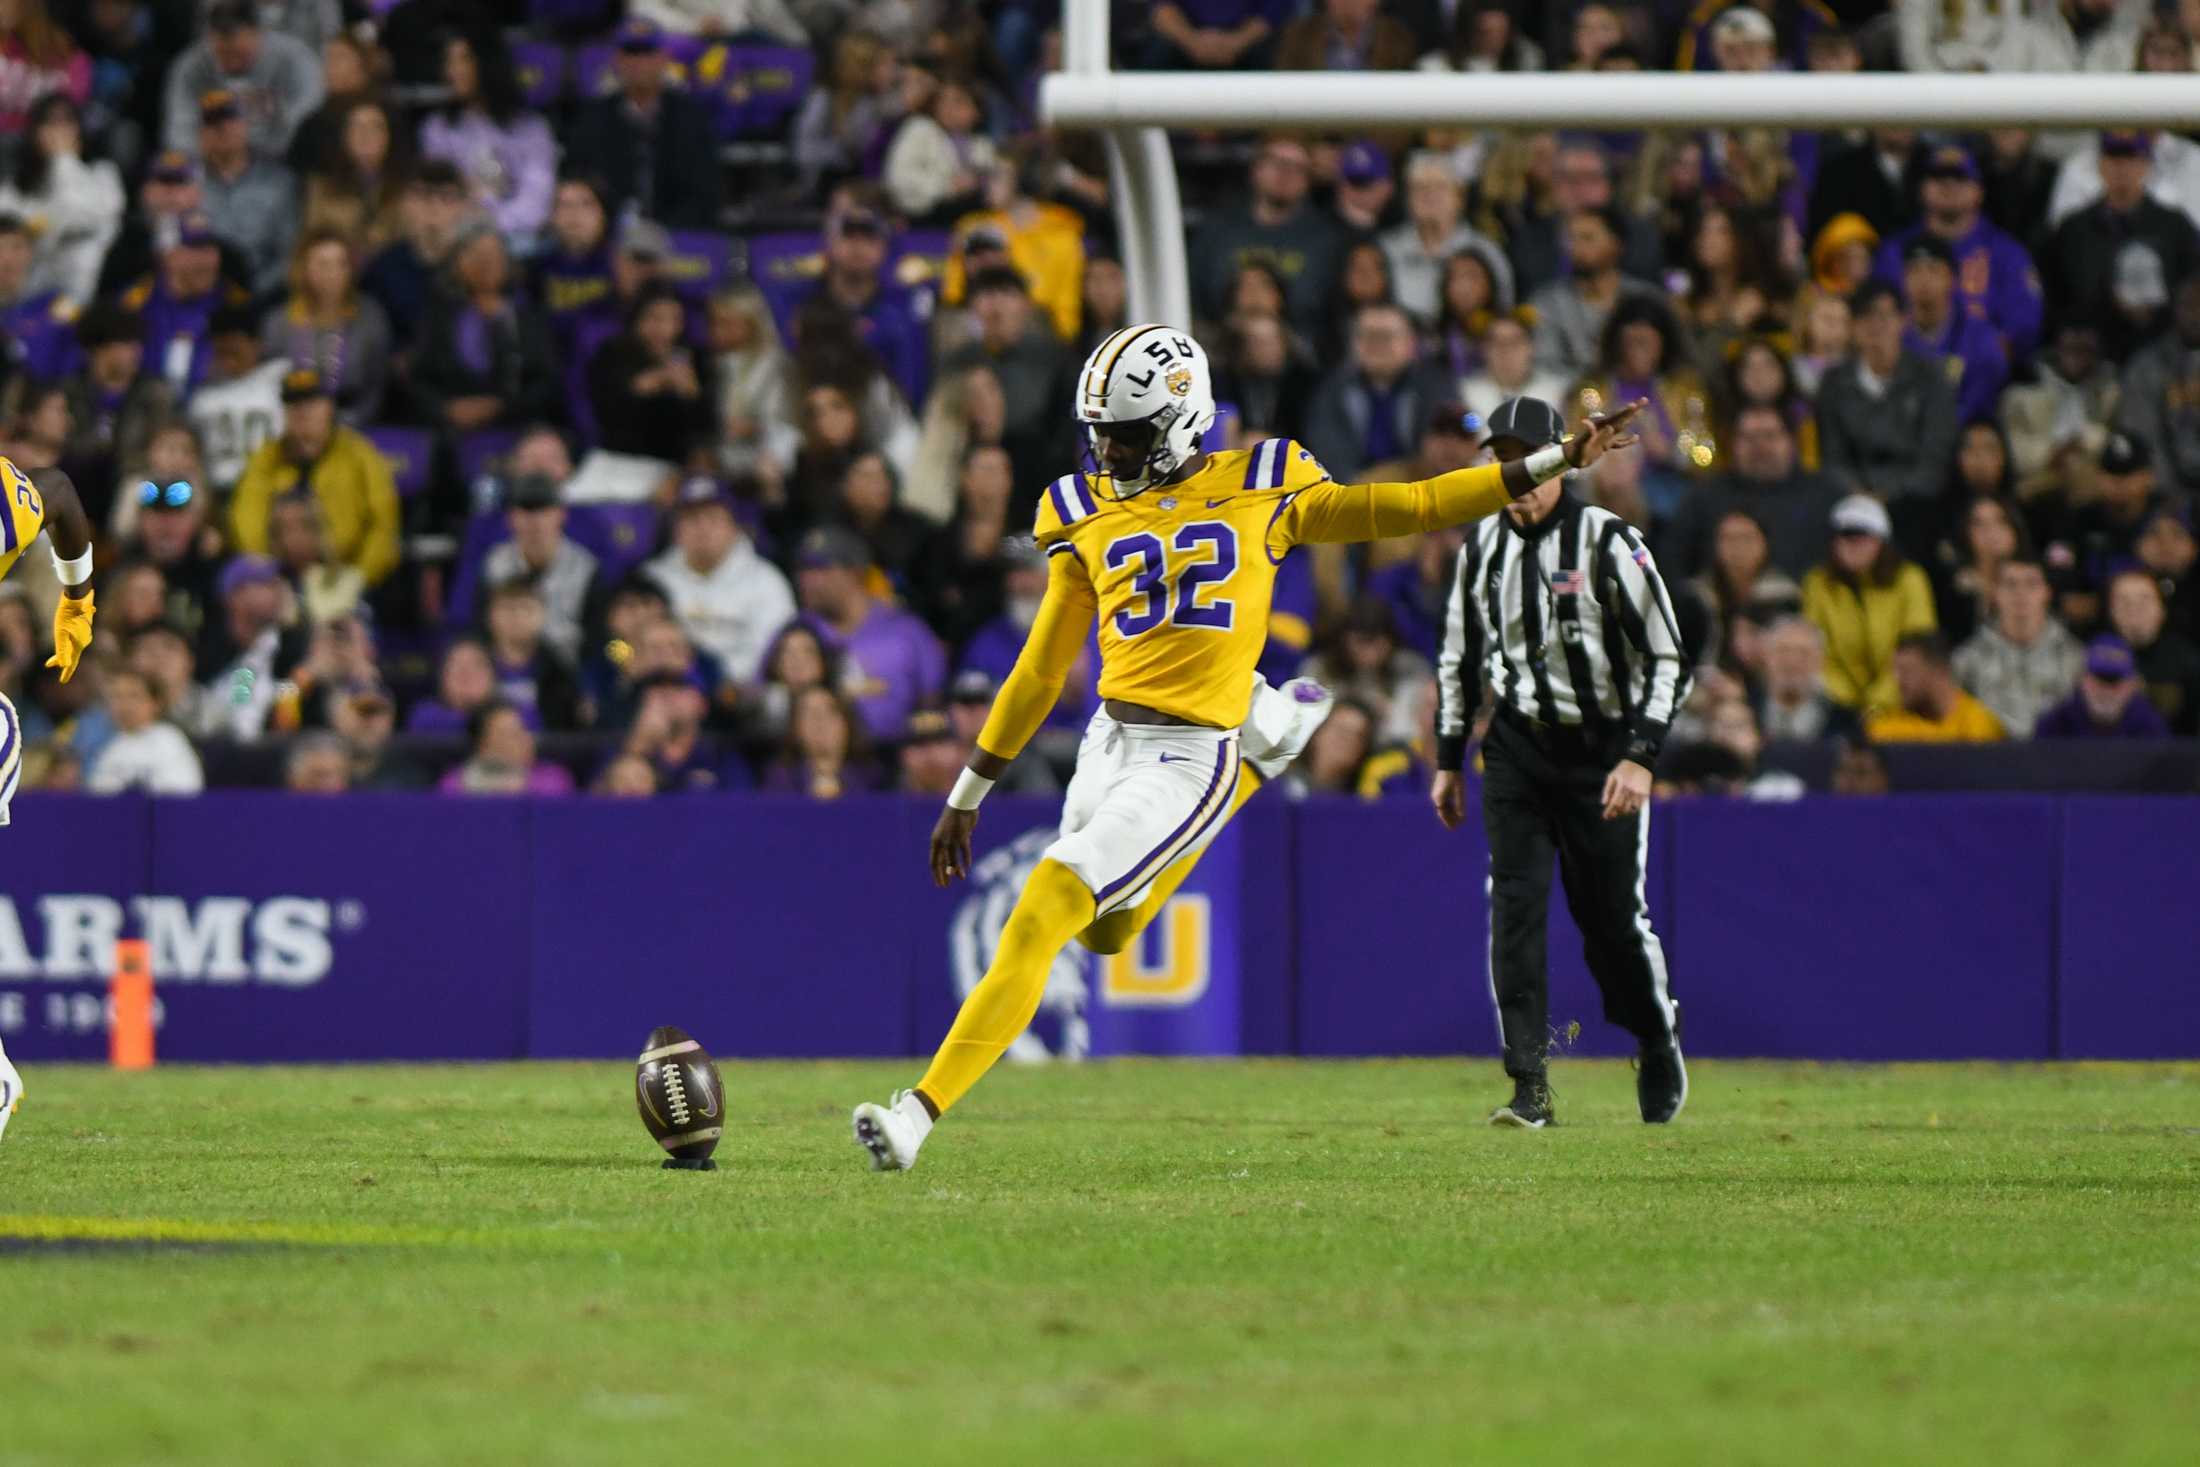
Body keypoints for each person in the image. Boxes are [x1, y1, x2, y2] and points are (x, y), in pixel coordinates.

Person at [849, 326, 1646, 1171]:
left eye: (1126, 433)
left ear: (1183, 419)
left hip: (1190, 754)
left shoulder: (1268, 481)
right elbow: (1041, 667)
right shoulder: (1080, 508)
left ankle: (916, 1115)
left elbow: (1413, 504)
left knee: (1045, 903)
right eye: (1102, 433)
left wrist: (1553, 460)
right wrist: (967, 792)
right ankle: (1267, 755)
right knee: (1105, 936)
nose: (1109, 449)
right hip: (1109, 738)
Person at [1425, 393, 1687, 1129]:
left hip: (1601, 747)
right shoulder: (1480, 548)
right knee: (1513, 908)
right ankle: (1528, 1083)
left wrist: (1641, 755)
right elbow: (1459, 658)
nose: (1517, 473)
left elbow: (1669, 655)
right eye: (1503, 460)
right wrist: (1449, 758)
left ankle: (1656, 1033)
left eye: (1526, 458)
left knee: (1610, 922)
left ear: (1559, 462)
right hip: (1516, 746)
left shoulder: (1609, 541)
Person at [1872, 143, 2043, 362]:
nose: (1949, 185)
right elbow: (1877, 322)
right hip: (1903, 377)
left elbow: (2022, 332)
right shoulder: (1894, 251)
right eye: (1938, 177)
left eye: (1960, 178)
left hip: (1987, 382)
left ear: (1978, 191)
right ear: (1922, 188)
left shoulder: (2007, 253)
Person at [229, 370, 400, 588]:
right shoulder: (267, 458)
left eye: (311, 403)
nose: (302, 412)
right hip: (281, 579)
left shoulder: (359, 455)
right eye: (293, 404)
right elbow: (247, 518)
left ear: (330, 408)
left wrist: (359, 577)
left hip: (350, 575)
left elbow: (383, 526)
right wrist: (264, 573)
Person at [565, 17, 723, 231]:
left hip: (678, 236)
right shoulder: (593, 118)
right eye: (631, 52)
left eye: (647, 52)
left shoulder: (691, 116)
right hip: (607, 237)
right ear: (617, 60)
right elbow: (581, 181)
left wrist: (665, 234)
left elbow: (705, 192)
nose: (639, 62)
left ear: (663, 59)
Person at [1815, 281, 1960, 510]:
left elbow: (1934, 459)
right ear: (1853, 326)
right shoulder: (1834, 382)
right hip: (1852, 504)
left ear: (1903, 321)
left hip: (1916, 503)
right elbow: (1833, 458)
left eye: (1884, 316)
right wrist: (1860, 498)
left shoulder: (1930, 378)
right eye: (1865, 317)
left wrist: (1889, 497)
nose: (1875, 326)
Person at [795, 523, 945, 742]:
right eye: (803, 570)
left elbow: (934, 701)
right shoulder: (797, 631)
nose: (807, 581)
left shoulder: (906, 630)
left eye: (820, 569)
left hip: (896, 755)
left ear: (854, 573)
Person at [646, 475, 795, 690]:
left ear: (734, 527)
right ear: (676, 529)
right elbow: (615, 646)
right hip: (662, 693)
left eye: (713, 518)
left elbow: (774, 654)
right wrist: (628, 661)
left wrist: (711, 680)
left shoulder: (766, 582)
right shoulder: (652, 579)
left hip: (740, 700)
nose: (702, 528)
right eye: (691, 519)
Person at [1189, 136, 1345, 343]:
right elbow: (1195, 299)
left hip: (1305, 355)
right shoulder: (1217, 230)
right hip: (1220, 348)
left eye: (1297, 167)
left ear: (1309, 179)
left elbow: (1333, 314)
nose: (1286, 173)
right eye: (1277, 163)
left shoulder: (1328, 239)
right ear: (1255, 169)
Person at [411, 225, 558, 436]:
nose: (485, 263)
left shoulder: (528, 315)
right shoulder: (438, 314)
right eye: (476, 254)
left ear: (508, 264)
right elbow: (419, 378)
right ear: (458, 263)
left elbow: (545, 382)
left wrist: (498, 406)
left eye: (494, 255)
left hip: (517, 430)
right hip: (449, 432)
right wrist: (446, 409)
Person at [416, 30, 556, 246]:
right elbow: (438, 195)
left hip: (518, 239)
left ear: (488, 62)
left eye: (464, 59)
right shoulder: (437, 128)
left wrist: (491, 224)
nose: (453, 70)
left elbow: (537, 199)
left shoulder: (530, 128)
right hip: (456, 240)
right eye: (449, 61)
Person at [1802, 494, 1938, 713]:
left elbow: (1916, 646)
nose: (1853, 544)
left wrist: (1877, 703)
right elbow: (1816, 650)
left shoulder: (1910, 580)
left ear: (1881, 540)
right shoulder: (1818, 583)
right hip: (1835, 706)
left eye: (1863, 535)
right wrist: (1845, 703)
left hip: (1901, 700)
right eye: (1845, 536)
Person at [1301, 302, 1451, 482]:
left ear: (1411, 343)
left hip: (1421, 489)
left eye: (1386, 336)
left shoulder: (1435, 385)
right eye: (1369, 336)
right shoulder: (1332, 389)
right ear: (1353, 343)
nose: (1378, 345)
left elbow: (1449, 444)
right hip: (1350, 493)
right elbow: (1325, 447)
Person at [0, 93, 122, 306]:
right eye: (49, 123)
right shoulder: (16, 186)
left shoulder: (103, 174)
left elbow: (81, 217)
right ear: (34, 132)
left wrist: (63, 159)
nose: (59, 132)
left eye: (67, 122)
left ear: (80, 130)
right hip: (26, 294)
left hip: (88, 291)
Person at [261, 227, 393, 424]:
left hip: (355, 427)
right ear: (303, 268)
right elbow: (268, 385)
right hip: (291, 426)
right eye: (323, 264)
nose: (332, 273)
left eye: (341, 264)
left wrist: (347, 423)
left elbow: (376, 385)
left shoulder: (370, 317)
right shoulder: (279, 322)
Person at [161, 0, 322, 159]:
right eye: (222, 54)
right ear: (209, 40)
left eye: (239, 53)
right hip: (210, 163)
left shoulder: (297, 60)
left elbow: (309, 124)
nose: (231, 62)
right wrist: (207, 147)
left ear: (259, 34)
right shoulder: (192, 65)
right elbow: (177, 133)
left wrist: (248, 144)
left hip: (279, 161)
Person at [1951, 557, 2084, 737]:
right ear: (1995, 593)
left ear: (2047, 592)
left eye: (2031, 584)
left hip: (2055, 757)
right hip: (1989, 757)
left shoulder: (2076, 657)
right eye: (2010, 584)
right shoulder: (1966, 660)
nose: (2020, 593)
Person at [475, 473, 601, 663]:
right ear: (511, 518)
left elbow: (600, 634)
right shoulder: (495, 563)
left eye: (543, 510)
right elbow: (479, 625)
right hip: (504, 668)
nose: (535, 521)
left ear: (561, 514)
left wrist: (625, 655)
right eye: (526, 511)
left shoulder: (585, 566)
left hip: (569, 668)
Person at [586, 284, 715, 464]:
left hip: (675, 465)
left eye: (674, 320)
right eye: (655, 319)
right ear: (637, 320)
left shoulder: (695, 358)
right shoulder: (613, 355)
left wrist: (692, 394)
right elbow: (606, 414)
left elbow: (707, 426)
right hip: (618, 459)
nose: (665, 330)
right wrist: (640, 388)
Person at [191, 86, 295, 295]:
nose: (222, 129)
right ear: (201, 133)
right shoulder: (186, 183)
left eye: (230, 119)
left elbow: (290, 254)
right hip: (196, 295)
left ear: (246, 126)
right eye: (212, 122)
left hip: (262, 297)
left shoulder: (280, 182)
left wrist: (250, 295)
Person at [1900, 234, 2008, 428]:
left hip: (1962, 439)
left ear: (1953, 279)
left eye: (1934, 270)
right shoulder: (1893, 336)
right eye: (1914, 271)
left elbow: (1977, 404)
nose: (1923, 280)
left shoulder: (1980, 337)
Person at [185, 304, 287, 492]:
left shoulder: (281, 378)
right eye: (220, 351)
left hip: (272, 487)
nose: (227, 359)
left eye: (234, 351)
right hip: (218, 489)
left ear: (256, 344)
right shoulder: (202, 398)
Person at [2105, 564, 2200, 733]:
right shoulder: (2095, 656)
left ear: (2162, 609)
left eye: (2144, 599)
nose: (2134, 608)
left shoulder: (2187, 660)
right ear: (2111, 610)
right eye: (2123, 600)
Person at [1864, 632, 2006, 743]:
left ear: (1939, 672)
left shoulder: (1982, 728)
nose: (1897, 680)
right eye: (1895, 671)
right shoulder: (1886, 732)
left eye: (1906, 671)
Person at [85, 665, 203, 794]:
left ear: (156, 702)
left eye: (134, 695)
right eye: (116, 696)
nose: (125, 705)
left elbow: (184, 792)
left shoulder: (169, 740)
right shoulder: (105, 745)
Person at [2034, 635, 2173, 739]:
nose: (2106, 691)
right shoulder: (2056, 726)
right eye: (2099, 680)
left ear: (2132, 685)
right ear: (2082, 680)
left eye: (2114, 681)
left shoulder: (2152, 729)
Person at [1753, 615, 1863, 745]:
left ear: (1820, 661)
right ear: (1767, 656)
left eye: (1804, 653)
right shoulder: (1746, 708)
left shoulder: (1845, 722)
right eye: (1783, 650)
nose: (1792, 662)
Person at [438, 699, 575, 795]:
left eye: (523, 730)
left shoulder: (554, 780)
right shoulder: (455, 784)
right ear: (483, 746)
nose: (524, 739)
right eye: (510, 734)